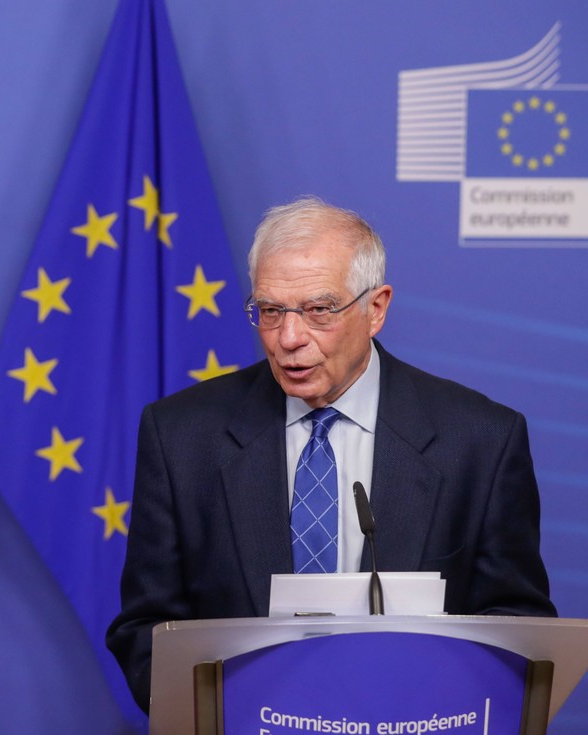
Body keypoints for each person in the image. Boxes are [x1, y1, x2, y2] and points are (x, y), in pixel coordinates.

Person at [105, 196, 556, 711]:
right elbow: (145, 631)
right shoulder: (181, 436)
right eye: (270, 311)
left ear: (376, 308)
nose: (288, 339)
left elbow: (518, 629)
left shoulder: (480, 441)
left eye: (319, 310)